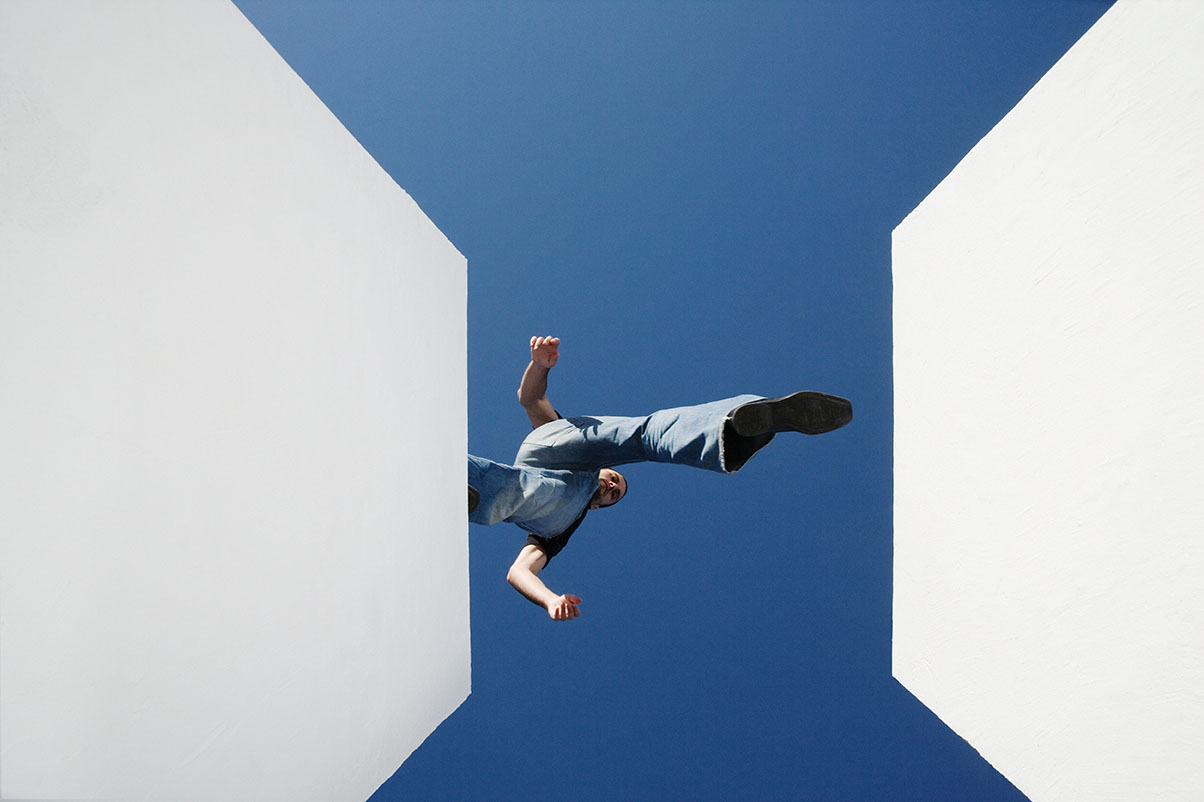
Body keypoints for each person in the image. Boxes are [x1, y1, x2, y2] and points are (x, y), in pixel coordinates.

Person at [470, 335, 852, 622]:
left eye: (613, 494)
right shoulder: (566, 442)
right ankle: (475, 488)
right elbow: (529, 398)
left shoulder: (556, 534)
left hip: (546, 497)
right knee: (617, 446)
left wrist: (550, 599)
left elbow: (518, 570)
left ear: (601, 506)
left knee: (632, 445)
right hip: (549, 452)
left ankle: (732, 427)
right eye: (615, 480)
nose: (612, 486)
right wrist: (540, 365)